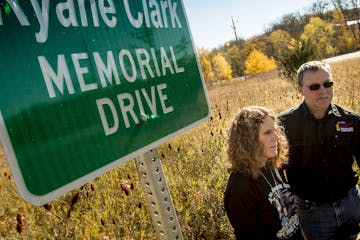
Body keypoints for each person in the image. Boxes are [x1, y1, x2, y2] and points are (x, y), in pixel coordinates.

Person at [278, 60, 360, 240]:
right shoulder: (283, 125)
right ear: (300, 89)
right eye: (314, 87)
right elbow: (275, 171)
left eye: (327, 84)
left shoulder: (351, 120)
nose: (323, 91)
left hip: (351, 205)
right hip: (312, 214)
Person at [224, 106, 302, 240]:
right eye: (267, 133)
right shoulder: (240, 188)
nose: (276, 137)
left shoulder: (273, 164)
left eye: (275, 130)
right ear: (249, 140)